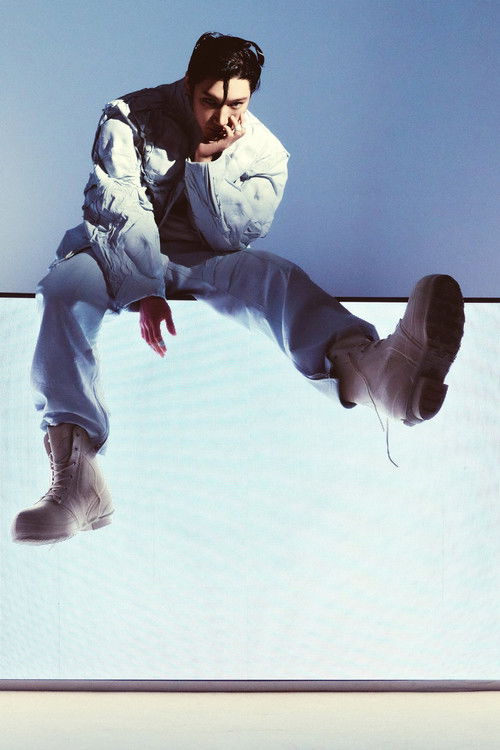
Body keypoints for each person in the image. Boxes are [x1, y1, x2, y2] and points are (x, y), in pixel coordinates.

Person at [12, 32, 465, 545]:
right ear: (189, 85)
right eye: (210, 101)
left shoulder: (266, 154)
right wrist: (147, 289)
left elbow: (229, 239)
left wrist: (206, 165)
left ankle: (375, 375)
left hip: (198, 259)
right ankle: (76, 481)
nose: (223, 116)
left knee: (275, 277)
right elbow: (118, 202)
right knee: (62, 292)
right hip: (111, 249)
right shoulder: (127, 118)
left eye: (237, 104)